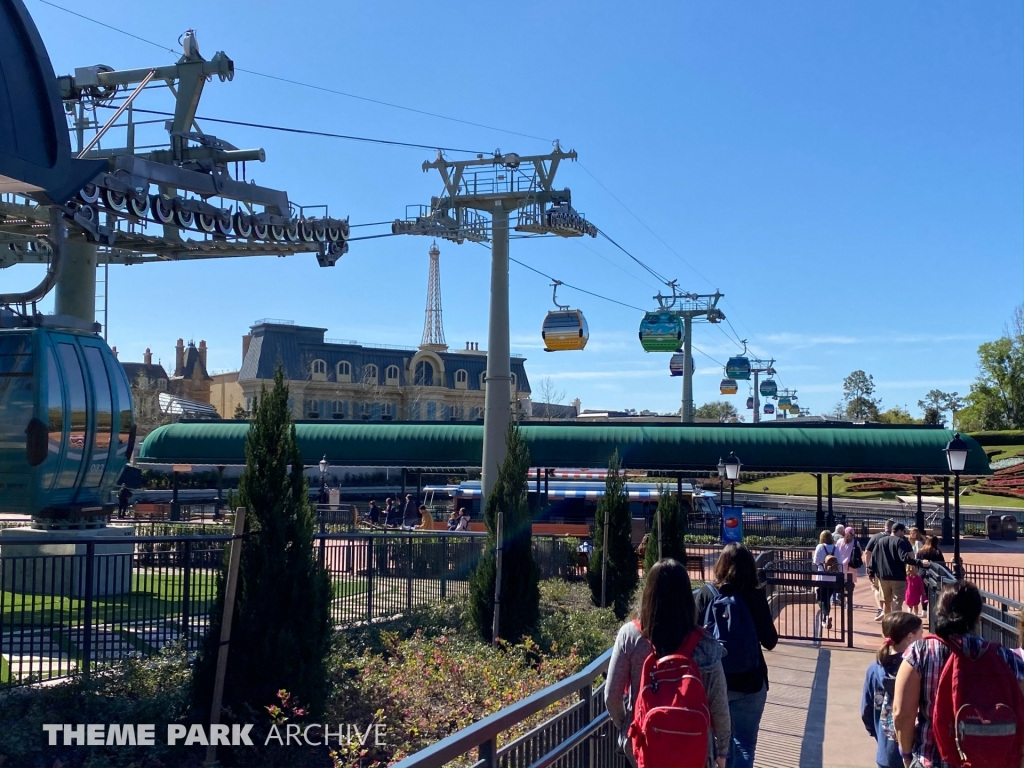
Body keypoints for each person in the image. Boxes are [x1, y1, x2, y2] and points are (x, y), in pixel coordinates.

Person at [606, 559, 731, 768]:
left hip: (643, 750)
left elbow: (611, 696)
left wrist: (628, 726)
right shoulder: (704, 644)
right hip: (694, 751)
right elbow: (719, 704)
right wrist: (723, 751)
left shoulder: (630, 636)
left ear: (649, 594)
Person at [893, 581, 1024, 768]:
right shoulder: (1005, 656)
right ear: (978, 617)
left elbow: (901, 713)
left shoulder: (920, 652)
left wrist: (906, 754)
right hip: (989, 760)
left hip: (932, 759)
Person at [694, 544, 778, 768]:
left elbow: (691, 638)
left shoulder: (706, 595)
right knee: (744, 745)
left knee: (711, 746)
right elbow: (770, 641)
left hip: (712, 682)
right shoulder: (754, 595)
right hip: (750, 683)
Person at [862, 612, 924, 768]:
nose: (923, 639)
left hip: (886, 751)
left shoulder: (875, 669)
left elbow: (866, 710)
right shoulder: (916, 669)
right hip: (917, 753)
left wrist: (877, 732)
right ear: (910, 637)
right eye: (920, 634)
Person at [870, 523, 930, 617]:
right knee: (897, 602)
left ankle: (887, 624)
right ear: (898, 531)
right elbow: (904, 558)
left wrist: (871, 572)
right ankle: (895, 625)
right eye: (903, 531)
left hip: (883, 576)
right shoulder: (900, 541)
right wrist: (920, 562)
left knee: (887, 602)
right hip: (898, 576)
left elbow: (873, 557)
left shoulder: (881, 541)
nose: (904, 534)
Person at [865, 520, 896, 621]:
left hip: (877, 567)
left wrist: (867, 567)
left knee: (876, 588)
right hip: (892, 569)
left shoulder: (876, 536)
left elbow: (867, 552)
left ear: (884, 527)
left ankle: (880, 609)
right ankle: (889, 612)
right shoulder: (895, 538)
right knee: (891, 592)